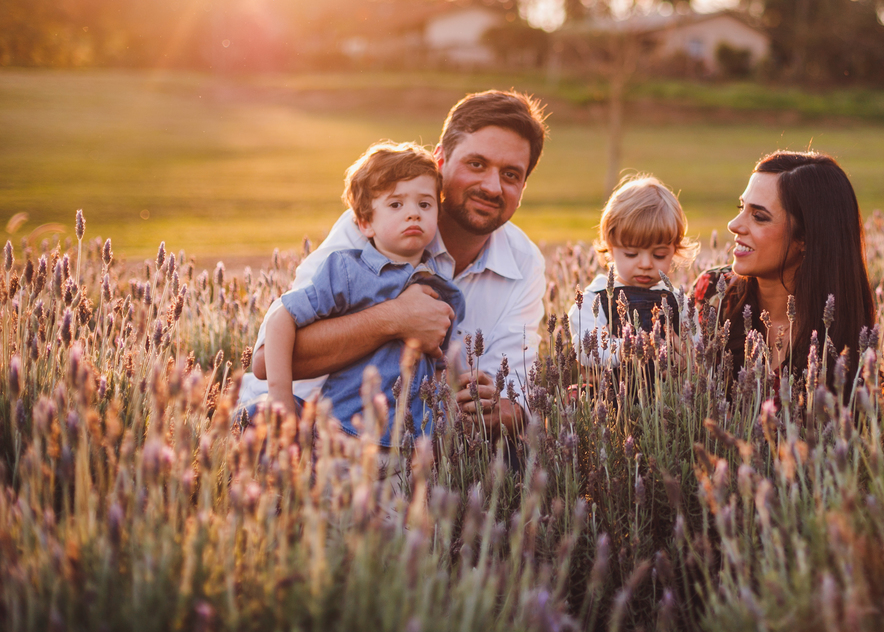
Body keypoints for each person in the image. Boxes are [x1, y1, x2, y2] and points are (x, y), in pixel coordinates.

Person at [239, 90, 549, 435]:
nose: (493, 187)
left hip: (405, 449)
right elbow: (267, 360)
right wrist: (394, 319)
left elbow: (515, 397)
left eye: (511, 175)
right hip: (300, 424)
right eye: (476, 164)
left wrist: (489, 402)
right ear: (440, 160)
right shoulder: (377, 228)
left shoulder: (525, 263)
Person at [261, 141, 464, 444]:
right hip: (341, 432)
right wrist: (282, 402)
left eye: (424, 204)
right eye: (396, 205)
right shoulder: (347, 271)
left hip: (406, 448)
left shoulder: (445, 292)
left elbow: (439, 369)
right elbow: (282, 318)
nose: (413, 214)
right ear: (366, 222)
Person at [695, 150, 875, 400]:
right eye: (741, 207)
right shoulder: (713, 294)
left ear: (806, 237)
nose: (734, 224)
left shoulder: (842, 335)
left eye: (758, 217)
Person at [571, 174, 698, 367]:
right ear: (611, 248)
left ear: (675, 251)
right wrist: (624, 348)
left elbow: (698, 349)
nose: (646, 264)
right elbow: (584, 348)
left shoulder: (678, 301)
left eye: (659, 255)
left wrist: (688, 360)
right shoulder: (595, 298)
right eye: (631, 254)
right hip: (614, 393)